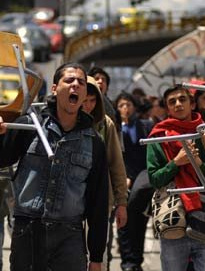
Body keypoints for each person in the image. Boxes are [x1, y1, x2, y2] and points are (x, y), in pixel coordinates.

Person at [0, 63, 109, 271]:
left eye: (81, 83)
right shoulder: (28, 126)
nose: (75, 85)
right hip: (28, 232)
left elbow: (98, 204)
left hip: (70, 238)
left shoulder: (94, 142)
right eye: (69, 80)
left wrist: (97, 257)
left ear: (84, 96)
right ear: (55, 89)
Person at [146, 85, 205, 271]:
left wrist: (198, 163)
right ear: (167, 108)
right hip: (173, 223)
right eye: (172, 102)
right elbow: (155, 179)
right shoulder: (158, 136)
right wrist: (176, 163)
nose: (178, 104)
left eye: (182, 99)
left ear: (192, 104)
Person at [83, 76, 128, 271]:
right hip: (69, 206)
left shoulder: (105, 124)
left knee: (99, 258)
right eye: (85, 99)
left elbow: (116, 165)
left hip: (101, 202)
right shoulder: (66, 122)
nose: (88, 105)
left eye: (93, 100)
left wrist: (122, 202)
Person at [115, 92, 153, 271]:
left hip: (142, 183)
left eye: (128, 104)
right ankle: (128, 261)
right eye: (122, 105)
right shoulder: (115, 128)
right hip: (123, 181)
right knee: (124, 224)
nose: (126, 108)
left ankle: (136, 260)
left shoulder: (145, 126)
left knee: (139, 223)